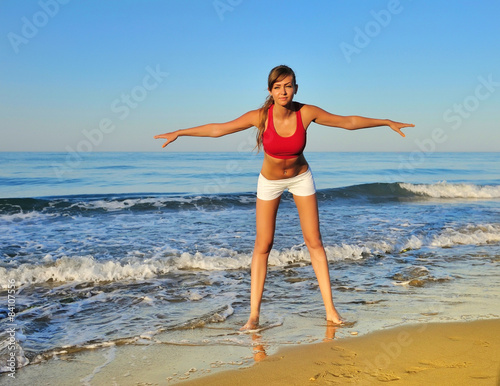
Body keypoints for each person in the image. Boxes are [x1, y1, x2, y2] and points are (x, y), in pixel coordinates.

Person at [154, 65, 414, 330]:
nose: (283, 91)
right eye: (277, 87)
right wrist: (180, 132)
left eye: (288, 85)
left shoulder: (306, 112)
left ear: (296, 88)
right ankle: (253, 316)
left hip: (301, 178)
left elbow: (348, 122)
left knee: (314, 241)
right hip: (269, 182)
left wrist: (386, 122)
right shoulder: (261, 116)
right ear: (270, 90)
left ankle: (331, 312)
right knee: (263, 244)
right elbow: (218, 129)